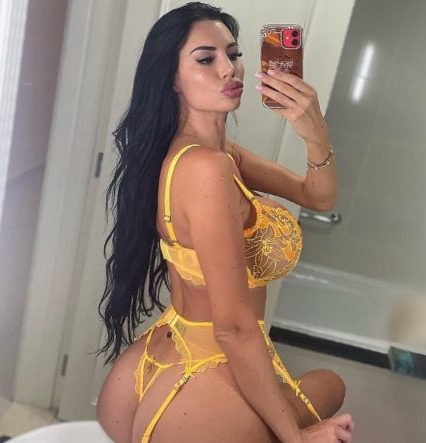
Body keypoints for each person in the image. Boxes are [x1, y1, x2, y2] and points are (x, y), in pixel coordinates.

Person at [95, 2, 354, 442]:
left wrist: (315, 134)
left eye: (233, 54)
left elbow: (317, 195)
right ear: (172, 78)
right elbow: (233, 328)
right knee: (331, 387)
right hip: (205, 372)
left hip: (152, 362)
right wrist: (296, 438)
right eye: (206, 59)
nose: (228, 69)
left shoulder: (212, 155)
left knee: (326, 385)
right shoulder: (207, 169)